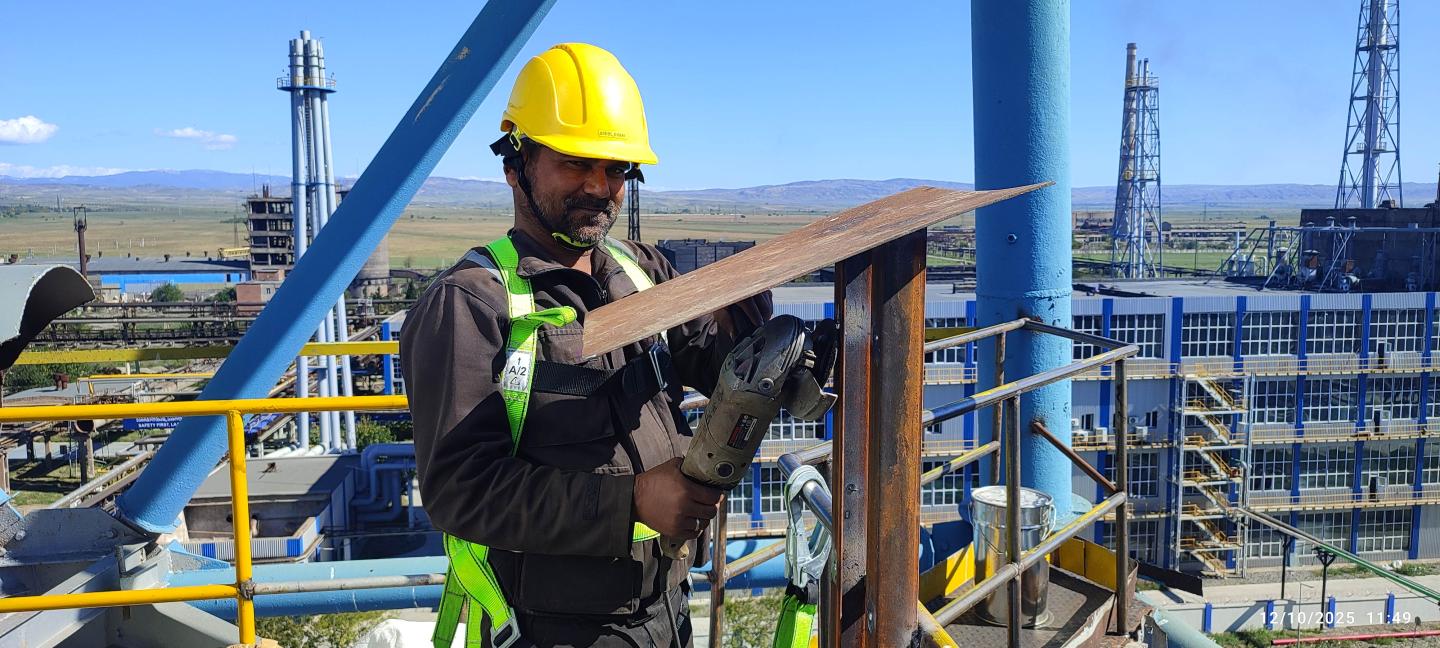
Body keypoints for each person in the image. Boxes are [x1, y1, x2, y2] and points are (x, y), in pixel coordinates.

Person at [401, 43, 771, 647]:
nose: (602, 187)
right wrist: (632, 501)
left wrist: (765, 340)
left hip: (664, 606)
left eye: (617, 168)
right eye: (577, 163)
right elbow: (460, 491)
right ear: (515, 164)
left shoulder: (639, 271)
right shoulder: (473, 304)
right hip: (557, 628)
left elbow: (712, 360)